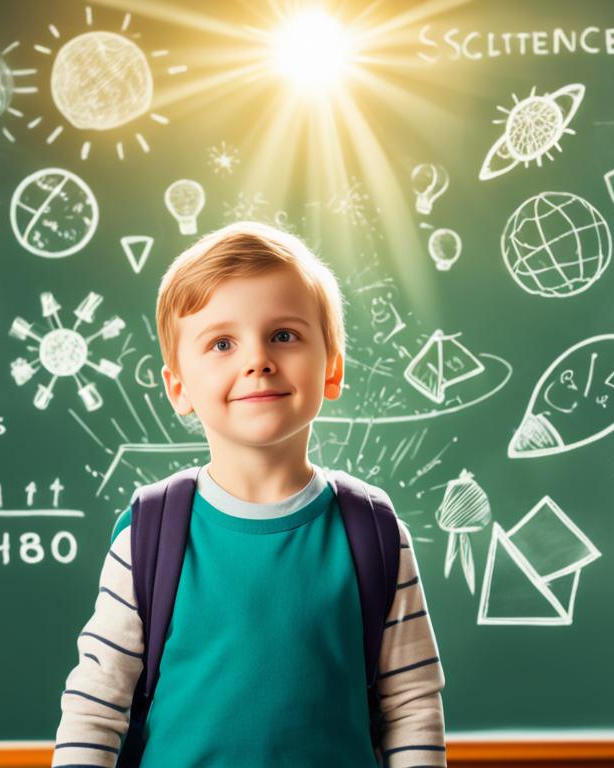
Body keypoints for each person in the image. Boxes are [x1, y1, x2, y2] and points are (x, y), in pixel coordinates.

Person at [51, 221, 447, 767]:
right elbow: (96, 704)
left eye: (284, 335)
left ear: (331, 369)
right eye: (221, 343)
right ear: (179, 389)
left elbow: (410, 705)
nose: (257, 360)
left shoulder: (375, 534)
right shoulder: (148, 535)